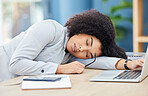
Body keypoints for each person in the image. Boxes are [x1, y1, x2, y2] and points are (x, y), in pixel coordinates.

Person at [0, 9, 144, 82]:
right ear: (84, 30)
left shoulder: (69, 55)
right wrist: (59, 69)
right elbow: (16, 64)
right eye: (88, 42)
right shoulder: (51, 29)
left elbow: (98, 61)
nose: (82, 49)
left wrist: (128, 64)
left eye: (88, 53)